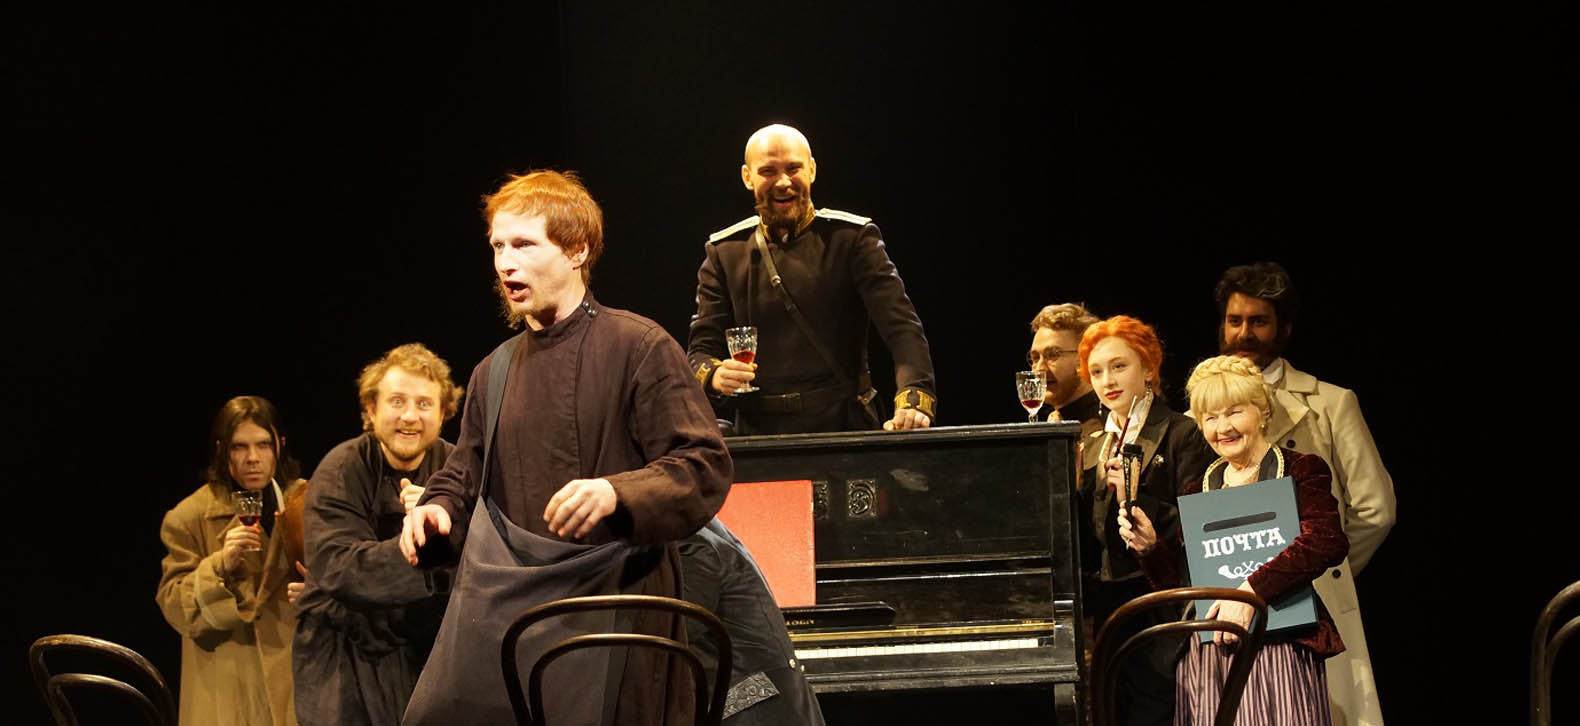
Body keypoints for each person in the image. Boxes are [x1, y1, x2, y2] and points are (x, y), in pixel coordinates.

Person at [397, 170, 732, 725]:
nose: (506, 263)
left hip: (618, 613)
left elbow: (703, 465)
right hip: (523, 618)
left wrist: (616, 493)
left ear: (577, 251)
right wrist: (436, 511)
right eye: (498, 246)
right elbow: (463, 475)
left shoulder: (638, 346)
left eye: (525, 245)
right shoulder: (493, 371)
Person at [1120, 355, 1349, 724]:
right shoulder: (1199, 490)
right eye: (1210, 417)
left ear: (1262, 412)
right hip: (1212, 655)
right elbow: (1187, 586)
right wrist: (1150, 549)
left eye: (1234, 412)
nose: (1222, 427)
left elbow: (1325, 541)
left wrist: (1249, 594)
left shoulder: (1299, 470)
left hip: (1280, 645)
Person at [1215, 261, 1391, 725]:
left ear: (1285, 328)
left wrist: (1319, 568)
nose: (1245, 333)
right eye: (1235, 321)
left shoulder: (1330, 403)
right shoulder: (1203, 414)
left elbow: (1375, 509)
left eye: (1259, 321)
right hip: (1232, 601)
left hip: (1314, 601)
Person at [688, 123, 937, 435]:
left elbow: (901, 328)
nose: (783, 182)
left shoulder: (851, 238)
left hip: (844, 427)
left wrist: (914, 399)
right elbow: (700, 351)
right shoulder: (725, 252)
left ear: (812, 170)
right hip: (759, 433)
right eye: (768, 171)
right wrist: (715, 375)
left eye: (793, 168)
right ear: (747, 177)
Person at [291, 343, 463, 725]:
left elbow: (481, 555)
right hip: (343, 657)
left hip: (427, 651)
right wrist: (429, 549)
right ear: (372, 409)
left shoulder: (456, 470)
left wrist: (440, 520)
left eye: (424, 404)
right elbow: (340, 568)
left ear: (443, 414)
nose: (410, 416)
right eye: (397, 401)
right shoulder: (341, 468)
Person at [1077, 315, 1215, 726]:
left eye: (1119, 366)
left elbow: (1201, 522)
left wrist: (1139, 497)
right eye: (1097, 372)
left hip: (1161, 598)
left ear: (1149, 369)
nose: (1107, 380)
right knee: (1110, 708)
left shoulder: (1182, 432)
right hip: (1108, 604)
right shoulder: (1091, 440)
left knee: (1154, 708)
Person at [156, 396, 306, 726]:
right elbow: (174, 606)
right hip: (230, 687)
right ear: (222, 450)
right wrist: (219, 565)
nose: (252, 458)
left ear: (280, 446)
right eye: (239, 447)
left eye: (263, 445)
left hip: (297, 681)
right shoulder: (190, 517)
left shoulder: (307, 502)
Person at [1026, 303, 1102, 423]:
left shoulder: (1112, 425)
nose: (1040, 368)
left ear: (1086, 357)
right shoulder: (1052, 420)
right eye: (1035, 358)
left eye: (1053, 355)